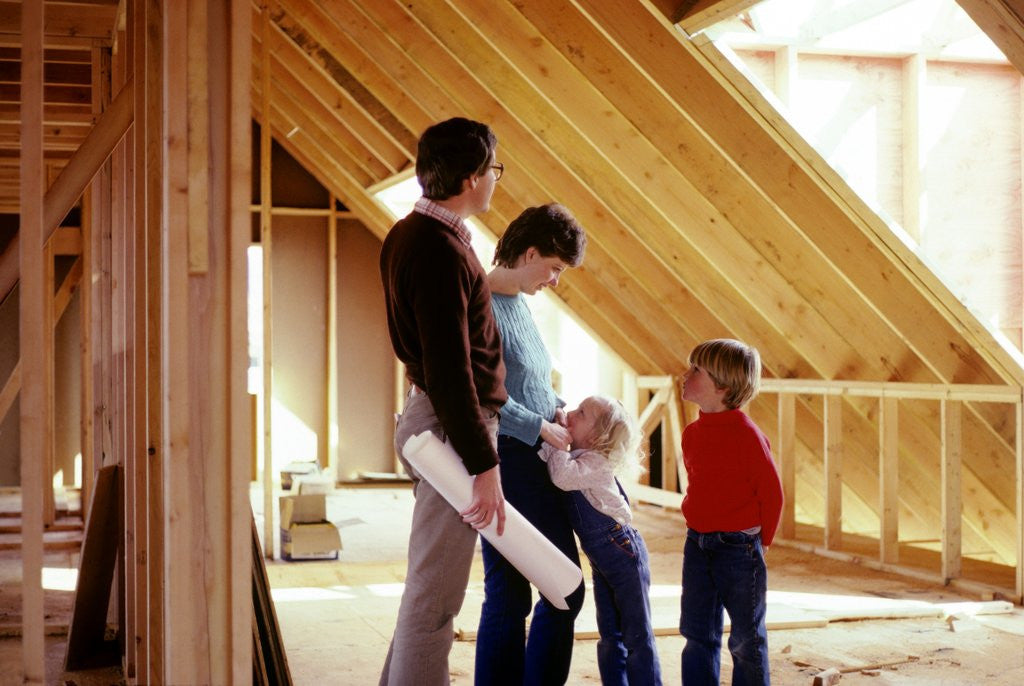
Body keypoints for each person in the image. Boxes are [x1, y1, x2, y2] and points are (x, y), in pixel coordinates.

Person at [378, 117, 508, 686]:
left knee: (427, 587)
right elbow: (452, 370)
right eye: (494, 171)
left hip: (438, 418)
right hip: (454, 425)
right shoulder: (439, 250)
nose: (495, 182)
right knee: (435, 600)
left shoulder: (415, 233)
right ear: (472, 176)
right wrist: (484, 465)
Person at [475, 203, 587, 685]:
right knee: (563, 589)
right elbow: (479, 391)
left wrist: (558, 408)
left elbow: (530, 381)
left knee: (511, 594)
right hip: (510, 459)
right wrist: (540, 427)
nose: (556, 280)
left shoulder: (518, 303)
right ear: (532, 251)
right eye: (556, 268)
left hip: (530, 455)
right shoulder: (478, 303)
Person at [677, 338, 784, 686]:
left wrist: (762, 542)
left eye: (696, 370)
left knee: (746, 638)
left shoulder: (747, 435)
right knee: (696, 633)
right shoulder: (692, 433)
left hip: (739, 550)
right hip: (697, 546)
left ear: (722, 386)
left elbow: (772, 494)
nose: (685, 375)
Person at [539, 395, 663, 685]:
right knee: (609, 633)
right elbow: (549, 460)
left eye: (581, 413)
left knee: (637, 633)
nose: (571, 412)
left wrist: (556, 438)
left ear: (596, 437)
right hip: (604, 558)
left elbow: (561, 476)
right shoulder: (580, 456)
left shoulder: (596, 463)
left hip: (623, 552)